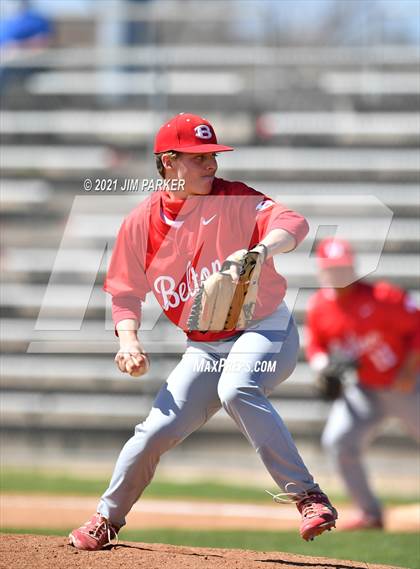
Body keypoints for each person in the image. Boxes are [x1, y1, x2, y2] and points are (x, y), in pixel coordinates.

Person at [69, 113, 337, 551]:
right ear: (169, 162)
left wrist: (261, 249)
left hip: (264, 328)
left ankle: (308, 496)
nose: (210, 163)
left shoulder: (235, 199)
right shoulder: (142, 223)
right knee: (152, 433)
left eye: (212, 154)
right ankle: (106, 518)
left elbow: (293, 223)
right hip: (205, 346)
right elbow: (123, 291)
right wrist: (129, 340)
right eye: (198, 158)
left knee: (237, 387)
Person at [305, 237, 420, 530]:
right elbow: (316, 345)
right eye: (332, 269)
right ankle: (370, 513)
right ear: (322, 271)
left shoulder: (384, 297)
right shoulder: (319, 306)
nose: (338, 275)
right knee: (338, 441)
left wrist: (409, 371)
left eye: (343, 268)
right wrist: (322, 367)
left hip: (405, 385)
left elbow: (417, 329)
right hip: (364, 389)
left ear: (353, 268)